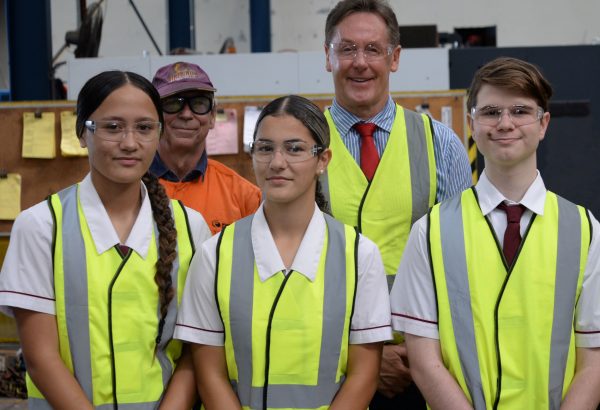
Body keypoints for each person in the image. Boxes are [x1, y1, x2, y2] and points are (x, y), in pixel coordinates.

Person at [391, 57, 600, 409]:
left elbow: (593, 363)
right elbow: (425, 362)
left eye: (520, 111)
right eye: (491, 112)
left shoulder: (585, 230)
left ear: (543, 123)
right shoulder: (430, 231)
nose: (505, 123)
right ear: (471, 123)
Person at [0, 71, 211, 408]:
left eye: (144, 128)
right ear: (82, 133)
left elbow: (193, 351)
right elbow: (41, 360)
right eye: (112, 127)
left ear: (158, 134)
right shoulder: (42, 227)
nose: (130, 143)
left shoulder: (190, 227)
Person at [174, 95, 392, 409]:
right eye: (264, 148)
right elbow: (210, 375)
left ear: (323, 160)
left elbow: (364, 375)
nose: (277, 162)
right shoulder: (215, 255)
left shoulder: (359, 255)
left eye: (294, 148)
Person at [322, 0, 472, 407]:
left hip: (420, 367)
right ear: (327, 57)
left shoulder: (441, 144)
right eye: (347, 49)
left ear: (395, 58)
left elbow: (460, 267)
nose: (360, 63)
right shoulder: (302, 144)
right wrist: (366, 357)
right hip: (328, 364)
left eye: (373, 49)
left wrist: (421, 356)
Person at [150, 61, 261, 235]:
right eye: (173, 103)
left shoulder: (245, 197)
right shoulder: (129, 189)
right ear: (153, 114)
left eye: (199, 103)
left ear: (213, 116)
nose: (186, 114)